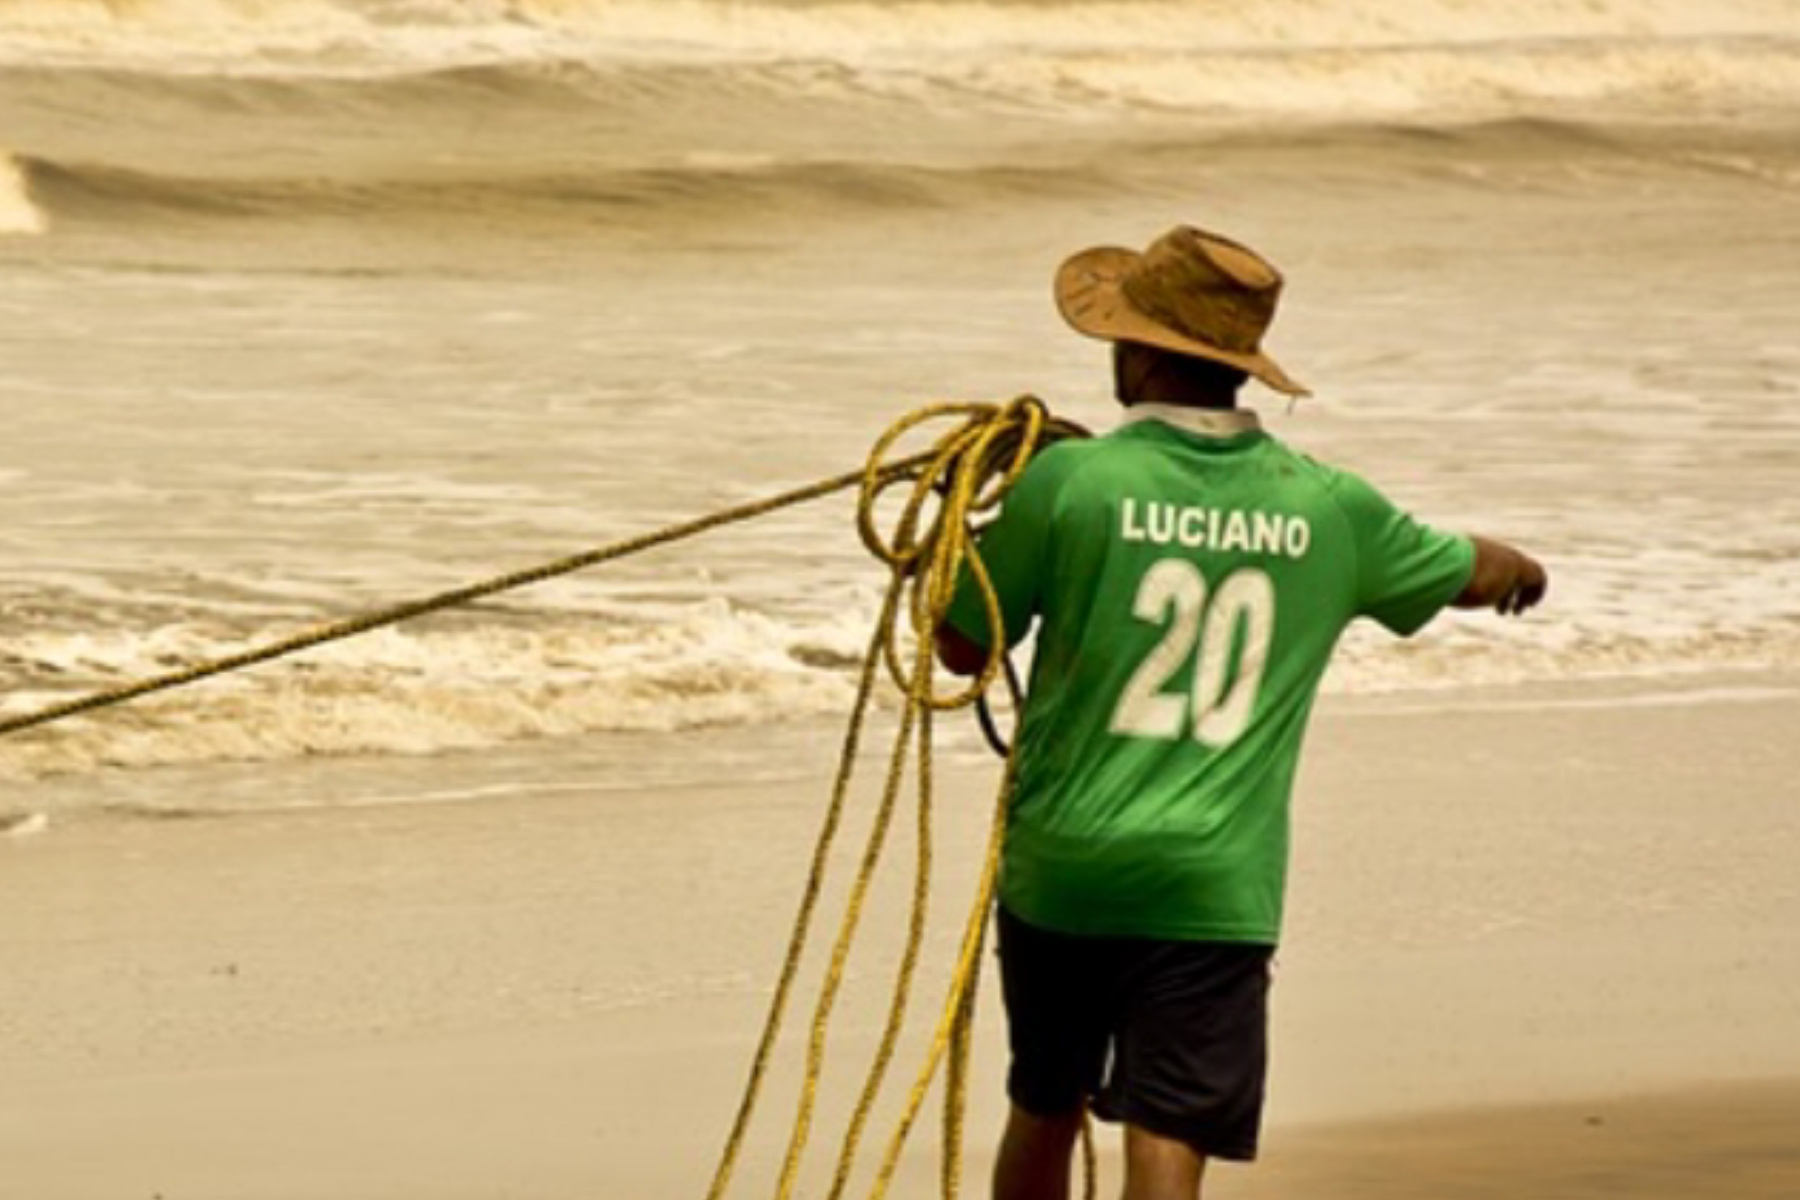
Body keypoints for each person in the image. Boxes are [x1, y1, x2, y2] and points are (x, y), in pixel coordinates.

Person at [934, 226, 1547, 1200]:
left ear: (1136, 352)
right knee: (1169, 1129)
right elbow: (1463, 568)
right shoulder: (1331, 509)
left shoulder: (1068, 483)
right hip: (1211, 883)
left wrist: (970, 524)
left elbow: (961, 645)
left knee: (1044, 1103)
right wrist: (1519, 567)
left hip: (1063, 870)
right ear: (1238, 370)